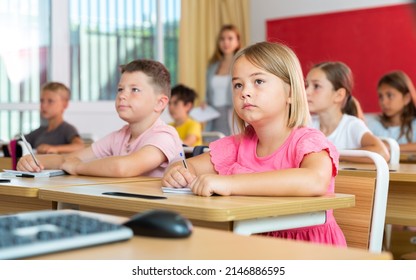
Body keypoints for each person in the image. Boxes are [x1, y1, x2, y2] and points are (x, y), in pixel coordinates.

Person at [163, 41, 346, 246]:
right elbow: (189, 166)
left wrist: (230, 184)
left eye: (258, 81)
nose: (244, 92)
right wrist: (177, 171)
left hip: (309, 251)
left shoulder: (308, 140)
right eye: (238, 85)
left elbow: (314, 180)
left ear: (291, 93)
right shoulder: (237, 144)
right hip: (255, 242)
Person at [17, 59, 183, 177]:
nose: (123, 96)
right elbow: (67, 159)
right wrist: (33, 160)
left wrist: (78, 167)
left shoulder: (164, 136)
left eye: (135, 90)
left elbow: (123, 168)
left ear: (160, 103)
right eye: (120, 89)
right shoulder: (119, 137)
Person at [305, 61, 390, 162]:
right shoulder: (307, 125)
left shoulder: (351, 125)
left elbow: (382, 153)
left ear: (339, 95)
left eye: (316, 86)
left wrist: (331, 154)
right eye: (306, 85)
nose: (306, 92)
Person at [23, 82, 84, 154]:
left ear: (65, 104)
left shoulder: (67, 129)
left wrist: (55, 149)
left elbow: (80, 146)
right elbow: (20, 142)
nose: (44, 106)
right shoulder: (40, 131)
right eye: (42, 101)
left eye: (50, 101)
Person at [203, 24, 241, 136]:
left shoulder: (241, 64)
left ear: (237, 41)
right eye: (222, 39)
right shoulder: (212, 66)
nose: (226, 42)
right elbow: (208, 93)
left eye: (230, 38)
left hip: (233, 114)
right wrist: (205, 102)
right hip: (214, 115)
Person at [366, 70, 416, 152]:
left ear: (406, 98)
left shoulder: (414, 125)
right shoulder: (373, 123)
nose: (383, 102)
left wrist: (389, 147)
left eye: (390, 95)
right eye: (381, 96)